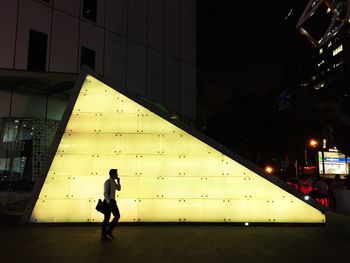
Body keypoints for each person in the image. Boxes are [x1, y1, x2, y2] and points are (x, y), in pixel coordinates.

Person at [101, 168, 121, 241]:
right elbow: (105, 193)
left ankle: (109, 231)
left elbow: (118, 189)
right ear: (112, 174)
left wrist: (118, 182)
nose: (117, 175)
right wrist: (108, 202)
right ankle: (103, 235)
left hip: (113, 201)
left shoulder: (114, 182)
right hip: (108, 202)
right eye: (116, 173)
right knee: (106, 218)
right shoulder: (107, 182)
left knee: (117, 216)